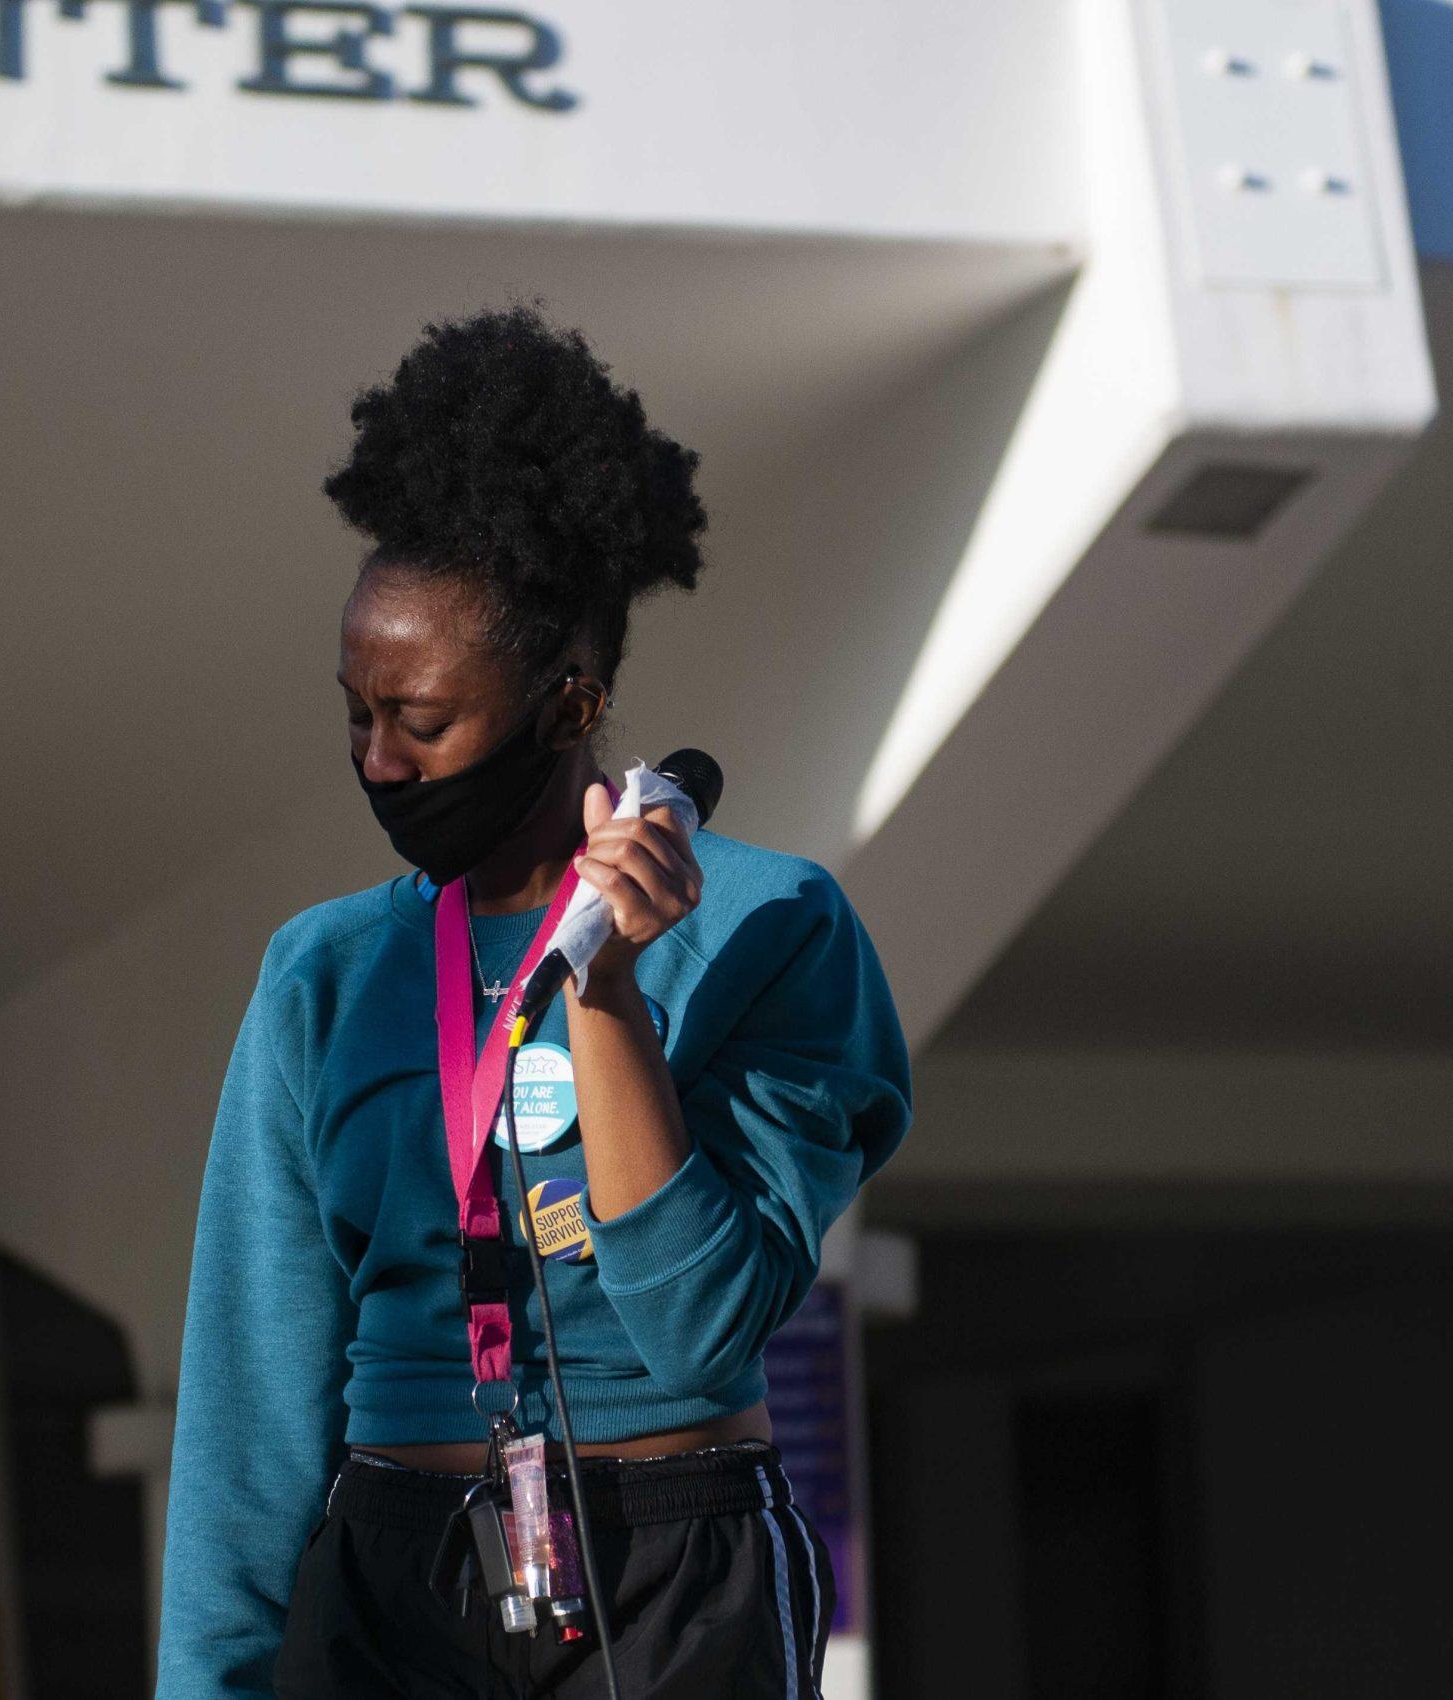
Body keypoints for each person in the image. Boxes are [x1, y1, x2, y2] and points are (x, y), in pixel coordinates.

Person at [156, 303, 913, 1699]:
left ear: (570, 708)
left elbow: (704, 1332)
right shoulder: (323, 973)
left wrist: (607, 990)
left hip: (672, 1567)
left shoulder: (772, 925)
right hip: (395, 1577)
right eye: (356, 714)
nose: (380, 762)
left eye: (424, 722)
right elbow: (252, 1401)